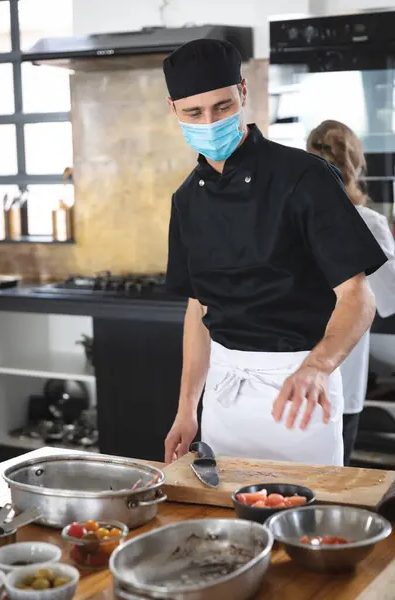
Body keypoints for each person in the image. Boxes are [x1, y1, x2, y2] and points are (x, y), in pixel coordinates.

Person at [162, 38, 387, 466]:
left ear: (242, 93)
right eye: (194, 112)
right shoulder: (186, 199)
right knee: (227, 526)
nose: (209, 121)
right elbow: (199, 308)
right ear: (175, 110)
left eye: (222, 106)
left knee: (306, 522)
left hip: (300, 395)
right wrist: (187, 409)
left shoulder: (305, 178)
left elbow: (358, 296)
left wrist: (318, 367)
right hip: (225, 400)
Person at [307, 119, 395, 465]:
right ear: (356, 165)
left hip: (292, 376)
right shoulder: (369, 223)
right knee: (334, 480)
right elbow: (389, 300)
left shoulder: (295, 218)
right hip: (342, 374)